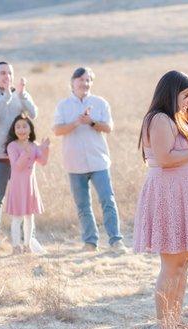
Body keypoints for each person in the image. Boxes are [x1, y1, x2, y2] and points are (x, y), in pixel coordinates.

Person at [133, 70, 188, 329]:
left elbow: (179, 152)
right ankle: (164, 327)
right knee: (171, 264)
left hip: (184, 192)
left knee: (183, 261)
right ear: (171, 93)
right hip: (169, 195)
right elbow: (165, 159)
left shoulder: (175, 119)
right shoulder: (158, 119)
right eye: (186, 95)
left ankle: (175, 321)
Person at [53, 67, 125, 252]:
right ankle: (90, 242)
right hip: (74, 162)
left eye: (88, 80)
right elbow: (57, 130)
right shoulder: (63, 106)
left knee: (108, 200)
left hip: (99, 160)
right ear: (72, 82)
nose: (84, 84)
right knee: (83, 205)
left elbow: (108, 128)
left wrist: (91, 122)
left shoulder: (100, 103)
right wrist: (76, 123)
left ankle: (115, 240)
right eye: (80, 80)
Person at [0, 61, 38, 257]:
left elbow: (33, 114)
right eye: (2, 73)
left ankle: (29, 240)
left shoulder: (19, 94)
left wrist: (22, 95)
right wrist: (6, 97)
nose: (6, 76)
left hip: (20, 157)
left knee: (26, 197)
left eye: (9, 73)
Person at [4, 114, 50, 254]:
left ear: (30, 129)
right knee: (17, 218)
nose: (21, 129)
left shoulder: (33, 145)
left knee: (30, 217)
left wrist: (44, 148)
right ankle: (16, 247)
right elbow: (17, 167)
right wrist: (26, 152)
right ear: (14, 130)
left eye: (25, 126)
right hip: (18, 187)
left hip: (30, 186)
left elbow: (43, 162)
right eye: (18, 127)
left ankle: (27, 245)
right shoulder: (12, 146)